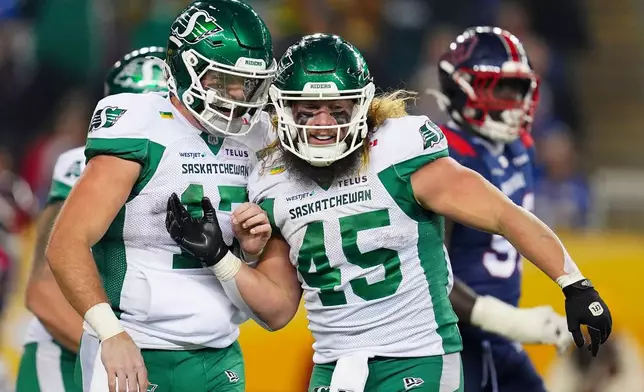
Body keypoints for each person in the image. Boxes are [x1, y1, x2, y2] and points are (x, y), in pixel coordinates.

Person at [164, 33, 612, 392]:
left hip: (418, 358)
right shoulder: (270, 177)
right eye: (308, 109)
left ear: (363, 106)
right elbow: (278, 310)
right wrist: (222, 259)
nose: (323, 124)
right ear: (282, 109)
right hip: (335, 369)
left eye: (337, 109)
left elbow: (503, 215)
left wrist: (574, 283)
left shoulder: (398, 151)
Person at [46, 1, 276, 391]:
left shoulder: (259, 136)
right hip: (134, 344)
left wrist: (252, 248)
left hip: (219, 352)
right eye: (222, 81)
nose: (238, 95)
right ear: (186, 69)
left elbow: (249, 259)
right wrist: (109, 333)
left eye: (247, 82)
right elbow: (66, 243)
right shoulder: (140, 122)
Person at [15, 46, 169, 392]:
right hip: (68, 355)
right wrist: (121, 354)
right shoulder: (81, 167)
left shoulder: (192, 166)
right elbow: (43, 293)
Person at [430, 26, 575, 391]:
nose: (512, 100)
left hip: (499, 341)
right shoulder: (441, 155)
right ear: (459, 87)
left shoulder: (521, 147)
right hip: (452, 340)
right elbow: (427, 273)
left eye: (517, 88)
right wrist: (511, 321)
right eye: (497, 87)